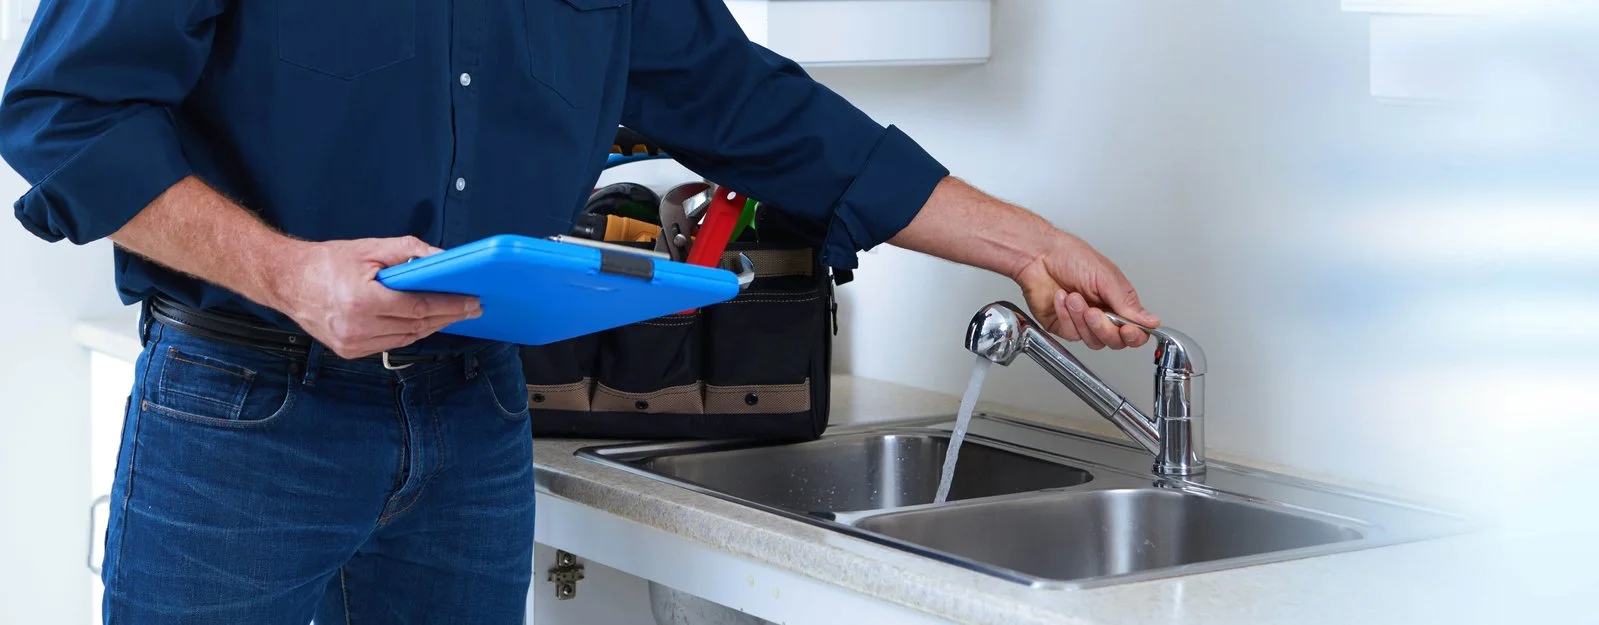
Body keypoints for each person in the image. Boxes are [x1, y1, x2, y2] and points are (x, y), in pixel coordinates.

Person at [0, 1, 1159, 622]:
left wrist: (1025, 245)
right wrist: (289, 272)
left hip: (472, 422)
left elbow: (754, 107)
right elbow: (62, 115)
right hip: (247, 416)